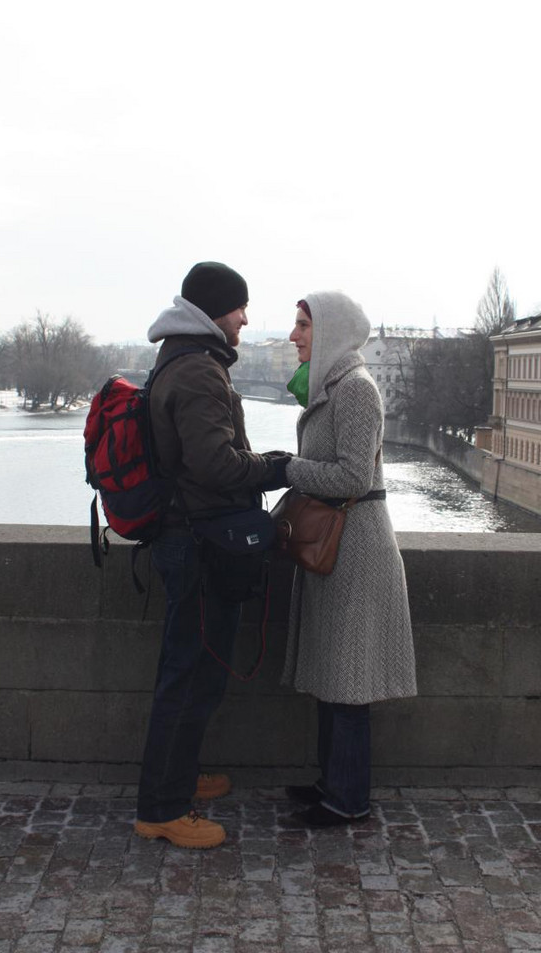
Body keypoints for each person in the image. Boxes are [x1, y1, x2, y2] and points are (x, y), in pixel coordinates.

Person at [134, 261, 290, 849]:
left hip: (189, 536)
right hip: (198, 542)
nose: (246, 319)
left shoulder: (181, 357)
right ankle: (162, 809)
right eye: (238, 308)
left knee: (195, 671)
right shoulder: (199, 371)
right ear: (213, 311)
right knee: (189, 674)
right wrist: (277, 466)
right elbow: (215, 464)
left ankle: (182, 775)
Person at [282, 291, 417, 827]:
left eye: (303, 326)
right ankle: (331, 782)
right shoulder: (333, 387)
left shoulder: (356, 391)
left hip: (356, 549)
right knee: (334, 677)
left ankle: (348, 800)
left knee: (349, 683)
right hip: (334, 546)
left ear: (332, 330)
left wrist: (285, 468)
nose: (294, 335)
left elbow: (353, 477)